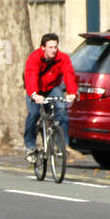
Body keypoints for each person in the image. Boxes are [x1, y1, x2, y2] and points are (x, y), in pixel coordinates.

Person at [23, 33, 76, 161]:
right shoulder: (34, 58)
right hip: (36, 90)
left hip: (52, 87)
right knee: (33, 114)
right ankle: (30, 147)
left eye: (55, 47)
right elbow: (31, 76)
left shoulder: (63, 58)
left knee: (62, 109)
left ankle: (61, 145)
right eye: (50, 47)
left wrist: (72, 93)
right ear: (43, 48)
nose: (53, 50)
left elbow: (69, 74)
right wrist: (34, 94)